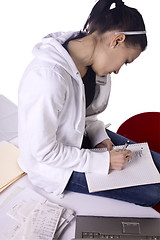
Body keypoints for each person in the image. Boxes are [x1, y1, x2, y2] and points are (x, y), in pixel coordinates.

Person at [18, 0, 160, 206]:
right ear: (117, 40)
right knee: (154, 193)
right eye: (126, 61)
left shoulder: (93, 64)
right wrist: (103, 161)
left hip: (79, 141)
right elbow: (44, 151)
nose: (119, 70)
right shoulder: (48, 78)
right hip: (55, 166)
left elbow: (87, 116)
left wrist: (99, 138)